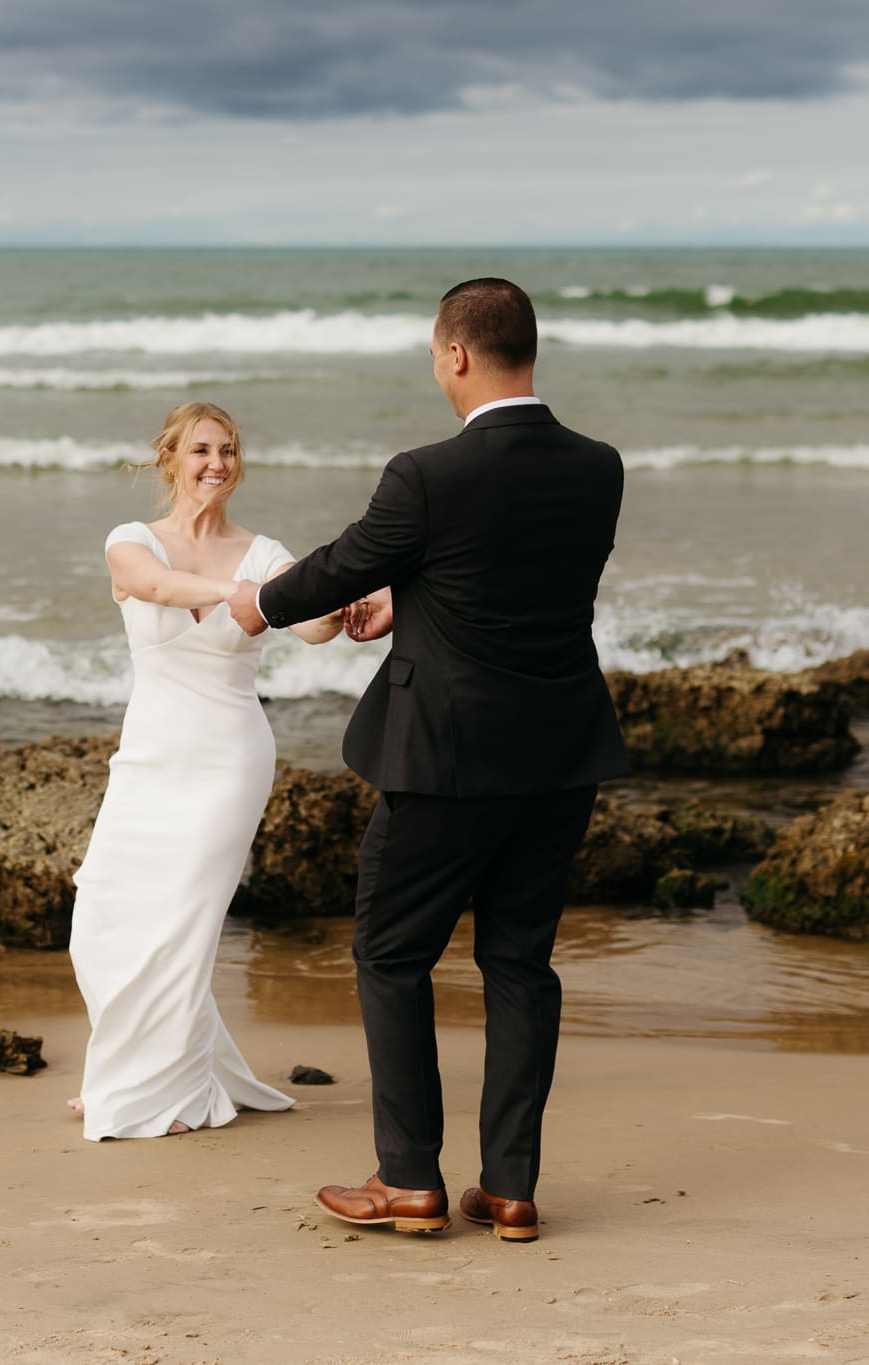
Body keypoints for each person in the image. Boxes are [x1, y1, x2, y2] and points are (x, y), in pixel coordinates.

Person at [228, 279, 629, 1242]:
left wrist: (259, 602)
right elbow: (521, 581)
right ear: (528, 350)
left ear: (454, 355)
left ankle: (408, 1177)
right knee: (521, 965)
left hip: (445, 763)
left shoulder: (425, 473)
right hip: (562, 754)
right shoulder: (598, 467)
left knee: (391, 953)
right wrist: (414, 599)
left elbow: (344, 562)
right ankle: (511, 1187)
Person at [68, 401, 346, 1141]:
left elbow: (311, 620)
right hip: (150, 754)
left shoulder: (263, 553)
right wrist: (242, 597)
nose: (216, 463)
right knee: (99, 919)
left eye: (227, 450)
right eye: (200, 450)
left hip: (229, 758)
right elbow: (154, 588)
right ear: (170, 460)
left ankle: (165, 1088)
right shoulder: (132, 542)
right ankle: (121, 1069)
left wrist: (337, 605)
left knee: (180, 926)